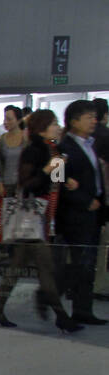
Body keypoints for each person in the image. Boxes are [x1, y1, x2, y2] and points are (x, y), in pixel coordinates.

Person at [0, 109, 78, 332]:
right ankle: (61, 316)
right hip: (31, 215)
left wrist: (65, 178)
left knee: (17, 265)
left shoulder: (51, 148)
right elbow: (27, 183)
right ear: (43, 127)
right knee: (44, 268)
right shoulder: (34, 150)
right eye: (54, 123)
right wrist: (50, 169)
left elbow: (54, 182)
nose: (58, 127)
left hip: (39, 215)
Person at [56, 100, 107, 325]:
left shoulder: (91, 145)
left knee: (89, 264)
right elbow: (57, 178)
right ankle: (57, 301)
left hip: (93, 213)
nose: (93, 121)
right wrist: (84, 201)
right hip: (76, 215)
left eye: (94, 117)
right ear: (74, 121)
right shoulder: (64, 147)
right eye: (88, 117)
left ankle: (83, 309)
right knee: (80, 263)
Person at [0, 106, 27, 259]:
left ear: (18, 120)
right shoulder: (0, 141)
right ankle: (3, 249)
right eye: (5, 118)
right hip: (6, 183)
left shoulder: (26, 140)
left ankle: (20, 250)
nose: (6, 122)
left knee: (21, 217)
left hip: (22, 184)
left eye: (9, 119)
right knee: (5, 217)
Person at [92, 98, 109, 300]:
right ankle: (100, 286)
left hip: (78, 201)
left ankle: (71, 284)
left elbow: (57, 174)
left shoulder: (67, 140)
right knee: (104, 245)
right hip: (102, 199)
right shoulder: (105, 136)